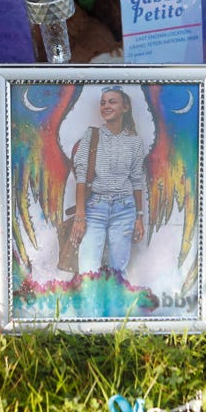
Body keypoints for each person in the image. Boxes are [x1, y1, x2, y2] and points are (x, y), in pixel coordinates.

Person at [69, 86, 147, 278]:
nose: (106, 106)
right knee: (88, 268)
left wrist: (139, 216)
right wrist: (80, 216)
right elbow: (81, 175)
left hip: (125, 209)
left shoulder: (135, 142)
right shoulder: (92, 135)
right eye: (103, 102)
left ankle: (116, 307)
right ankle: (89, 308)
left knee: (117, 270)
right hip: (95, 208)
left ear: (125, 107)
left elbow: (137, 181)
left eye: (112, 101)